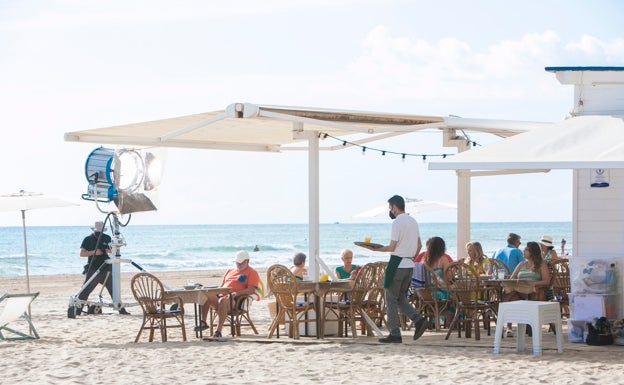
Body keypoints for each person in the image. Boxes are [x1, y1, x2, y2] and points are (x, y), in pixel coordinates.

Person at [362, 195, 427, 343]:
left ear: (394, 207)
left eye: (390, 208)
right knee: (400, 298)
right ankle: (418, 320)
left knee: (390, 299)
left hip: (397, 264)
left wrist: (375, 249)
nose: (390, 211)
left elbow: (392, 247)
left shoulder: (397, 223)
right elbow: (419, 245)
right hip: (409, 265)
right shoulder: (413, 221)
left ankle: (395, 333)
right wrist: (410, 257)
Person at [74, 221, 129, 315]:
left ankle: (121, 310)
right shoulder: (88, 239)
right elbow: (82, 253)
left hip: (106, 267)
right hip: (93, 267)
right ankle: (78, 310)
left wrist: (106, 250)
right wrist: (94, 252)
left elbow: (113, 251)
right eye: (97, 232)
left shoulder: (107, 237)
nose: (99, 233)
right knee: (85, 290)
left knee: (114, 289)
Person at [199, 250, 260, 337]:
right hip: (222, 297)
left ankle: (218, 331)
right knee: (205, 296)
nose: (238, 264)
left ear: (247, 261)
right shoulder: (229, 271)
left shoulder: (252, 272)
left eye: (241, 262)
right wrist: (214, 292)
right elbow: (221, 286)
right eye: (237, 262)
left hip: (236, 301)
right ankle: (203, 322)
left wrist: (236, 294)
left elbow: (251, 290)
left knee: (224, 300)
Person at [502, 241, 551, 337]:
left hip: (533, 289)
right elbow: (512, 279)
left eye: (526, 250)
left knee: (510, 296)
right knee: (510, 293)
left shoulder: (541, 264)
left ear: (533, 252)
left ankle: (504, 320)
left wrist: (533, 283)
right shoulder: (521, 264)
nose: (523, 251)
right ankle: (509, 327)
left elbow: (546, 281)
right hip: (520, 289)